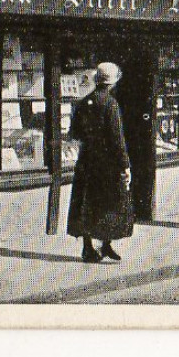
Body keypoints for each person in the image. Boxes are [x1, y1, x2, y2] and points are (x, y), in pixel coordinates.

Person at [66, 61, 134, 263]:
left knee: (88, 202)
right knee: (109, 203)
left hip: (87, 160)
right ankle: (104, 244)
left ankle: (91, 247)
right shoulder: (110, 104)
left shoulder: (84, 102)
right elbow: (117, 138)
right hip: (107, 164)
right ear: (113, 82)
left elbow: (75, 133)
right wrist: (125, 164)